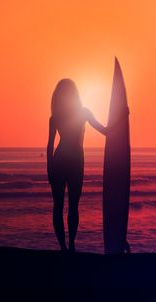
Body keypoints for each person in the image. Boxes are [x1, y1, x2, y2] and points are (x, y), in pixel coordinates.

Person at [47, 78, 109, 252]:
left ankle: (66, 247)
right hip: (73, 162)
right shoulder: (78, 113)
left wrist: (49, 169)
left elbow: (105, 130)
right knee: (68, 206)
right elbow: (106, 131)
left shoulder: (60, 116)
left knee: (63, 206)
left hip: (61, 162)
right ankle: (68, 246)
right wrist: (49, 169)